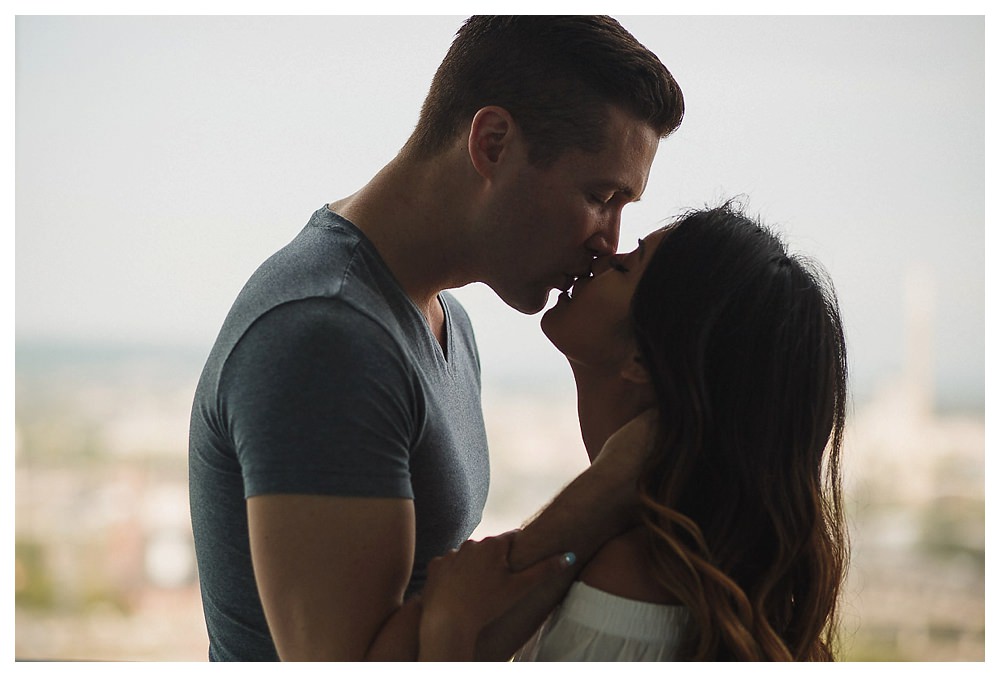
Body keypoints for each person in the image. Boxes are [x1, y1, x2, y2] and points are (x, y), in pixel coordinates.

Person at [188, 15, 684, 661]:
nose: (609, 240)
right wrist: (610, 486)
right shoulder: (326, 337)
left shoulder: (444, 323)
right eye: (600, 196)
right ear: (494, 142)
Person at [418, 202, 850, 661]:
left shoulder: (628, 582)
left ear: (643, 360)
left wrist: (451, 629)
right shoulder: (661, 556)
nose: (604, 255)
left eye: (626, 267)